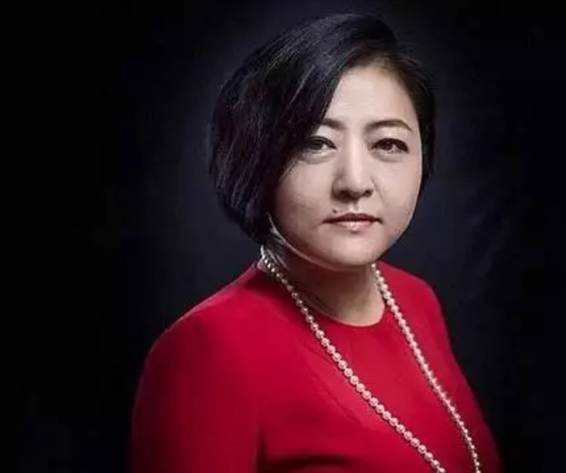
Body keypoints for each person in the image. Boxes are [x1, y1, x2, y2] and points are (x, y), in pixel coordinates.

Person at [131, 12, 501, 473]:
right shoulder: (206, 351)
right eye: (315, 144)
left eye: (387, 144)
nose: (355, 182)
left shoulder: (415, 299)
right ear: (257, 159)